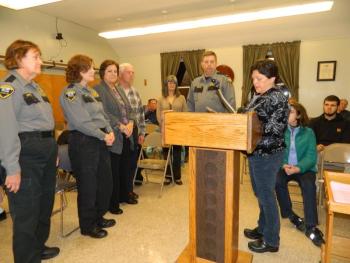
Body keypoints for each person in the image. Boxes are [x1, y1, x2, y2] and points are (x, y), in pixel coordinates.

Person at [0, 40, 59, 262]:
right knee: (27, 212)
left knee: (44, 205)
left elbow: (46, 123)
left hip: (45, 150)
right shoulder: (8, 87)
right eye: (35, 56)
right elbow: (5, 130)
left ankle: (38, 247)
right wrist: (12, 168)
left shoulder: (36, 87)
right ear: (18, 59)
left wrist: (52, 151)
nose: (41, 61)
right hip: (25, 155)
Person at [60, 54, 116, 239]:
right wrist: (103, 135)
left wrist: (109, 131)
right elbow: (81, 122)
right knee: (88, 186)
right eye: (91, 68)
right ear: (81, 70)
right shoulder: (70, 93)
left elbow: (102, 115)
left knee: (104, 182)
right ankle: (87, 225)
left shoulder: (92, 92)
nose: (94, 71)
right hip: (83, 141)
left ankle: (98, 216)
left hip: (99, 140)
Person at [242, 60, 289, 253]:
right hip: (256, 153)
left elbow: (272, 131)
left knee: (266, 196)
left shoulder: (276, 97)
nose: (255, 82)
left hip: (268, 155)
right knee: (260, 193)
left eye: (259, 78)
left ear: (272, 79)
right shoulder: (260, 95)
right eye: (253, 78)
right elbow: (247, 116)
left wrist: (251, 124)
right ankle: (262, 228)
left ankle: (271, 240)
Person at [275, 101, 325, 247]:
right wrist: (283, 164)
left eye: (290, 111)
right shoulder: (279, 130)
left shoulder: (308, 132)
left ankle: (311, 225)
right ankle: (291, 215)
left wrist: (298, 168)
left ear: (298, 115)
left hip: (304, 168)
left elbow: (311, 156)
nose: (285, 114)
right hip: (285, 167)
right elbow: (276, 152)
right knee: (277, 181)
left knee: (308, 185)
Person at [94, 59, 136, 209]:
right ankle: (113, 203)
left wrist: (130, 123)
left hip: (126, 133)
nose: (113, 74)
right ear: (102, 73)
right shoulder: (99, 89)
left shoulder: (118, 89)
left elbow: (129, 109)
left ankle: (125, 195)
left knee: (125, 167)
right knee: (113, 171)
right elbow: (104, 112)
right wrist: (120, 125)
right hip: (113, 135)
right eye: (109, 71)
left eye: (115, 71)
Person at [118, 63, 145, 202]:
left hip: (134, 131)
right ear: (121, 74)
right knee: (123, 165)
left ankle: (129, 190)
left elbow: (140, 113)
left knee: (132, 164)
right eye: (129, 72)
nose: (132, 75)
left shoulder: (135, 91)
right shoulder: (115, 91)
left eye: (133, 72)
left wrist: (142, 132)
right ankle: (123, 193)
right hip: (121, 132)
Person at [157, 75, 187, 185]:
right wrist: (163, 126)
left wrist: (181, 126)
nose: (171, 85)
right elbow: (158, 115)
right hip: (165, 130)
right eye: (169, 82)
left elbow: (185, 113)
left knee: (178, 154)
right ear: (166, 85)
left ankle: (177, 177)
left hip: (178, 130)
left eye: (174, 83)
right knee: (167, 154)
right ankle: (168, 176)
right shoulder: (161, 98)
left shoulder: (181, 98)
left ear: (176, 85)